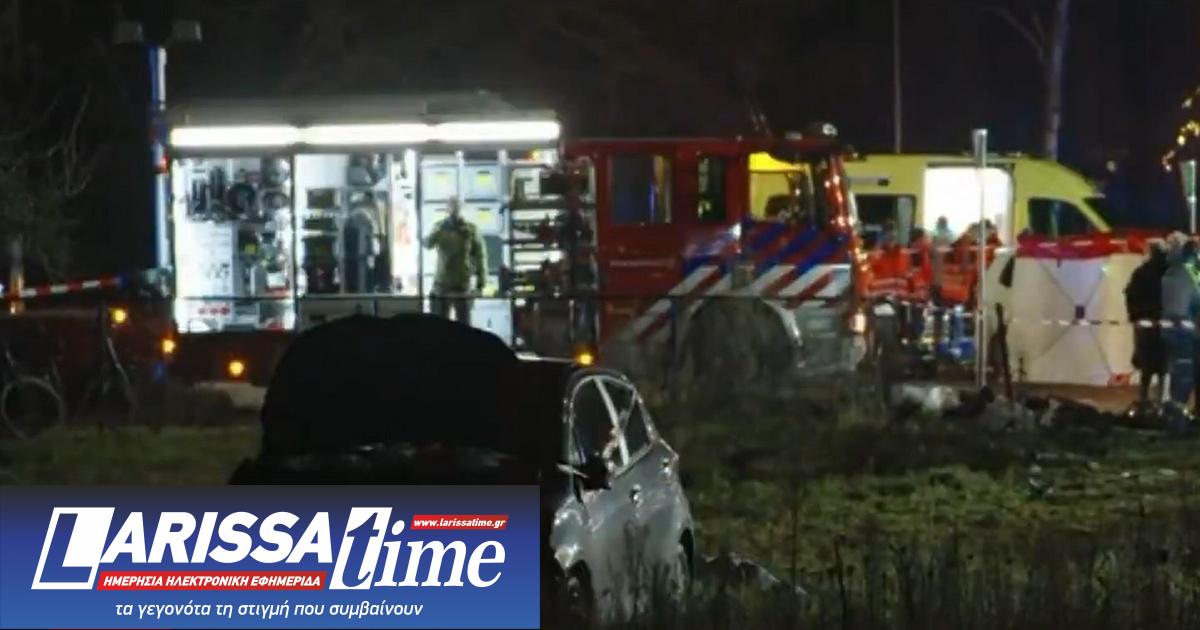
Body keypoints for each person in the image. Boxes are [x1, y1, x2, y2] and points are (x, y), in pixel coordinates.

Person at [425, 197, 486, 323]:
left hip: (462, 285)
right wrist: (439, 231)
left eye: (457, 207)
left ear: (461, 209)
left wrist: (481, 283)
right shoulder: (439, 227)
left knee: (464, 326)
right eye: (451, 207)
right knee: (438, 326)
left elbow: (480, 257)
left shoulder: (470, 230)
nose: (454, 211)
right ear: (447, 209)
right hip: (442, 284)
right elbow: (427, 244)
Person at [1160, 234, 1200, 425]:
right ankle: (1179, 418)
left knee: (1176, 371)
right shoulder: (1191, 272)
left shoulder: (1169, 271)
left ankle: (1173, 411)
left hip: (1168, 328)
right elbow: (1196, 298)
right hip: (1187, 329)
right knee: (1185, 373)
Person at [1125, 241, 1168, 404]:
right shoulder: (1169, 271)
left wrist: (1134, 316)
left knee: (1146, 364)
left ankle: (1143, 399)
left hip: (1144, 323)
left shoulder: (1141, 272)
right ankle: (1161, 400)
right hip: (1165, 322)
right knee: (1163, 364)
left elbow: (1130, 294)